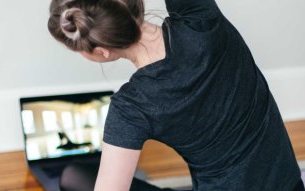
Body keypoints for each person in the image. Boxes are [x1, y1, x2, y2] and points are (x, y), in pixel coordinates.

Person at [47, 0, 304, 190]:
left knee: (74, 177)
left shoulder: (131, 108)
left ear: (101, 52)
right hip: (290, 184)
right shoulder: (201, 16)